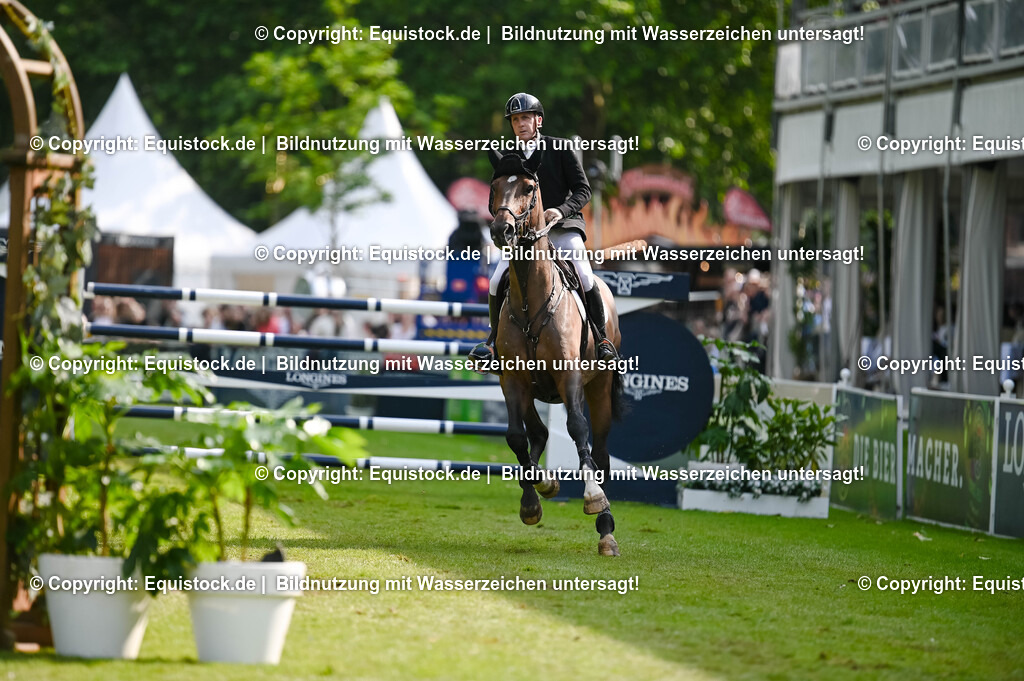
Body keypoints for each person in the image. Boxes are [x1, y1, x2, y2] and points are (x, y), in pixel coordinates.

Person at [470, 92, 616, 363]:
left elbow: (583, 190)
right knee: (494, 281)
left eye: (525, 117)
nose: (520, 124)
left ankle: (603, 340)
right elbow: (497, 199)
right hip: (526, 240)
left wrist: (559, 211)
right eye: (515, 120)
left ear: (538, 121)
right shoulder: (508, 157)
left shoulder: (559, 148)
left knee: (584, 275)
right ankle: (493, 343)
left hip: (561, 230)